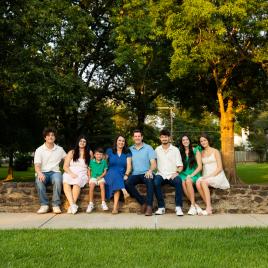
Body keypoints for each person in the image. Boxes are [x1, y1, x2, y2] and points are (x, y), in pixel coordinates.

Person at [196, 133, 230, 215]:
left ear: (208, 141)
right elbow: (200, 166)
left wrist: (209, 176)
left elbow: (220, 168)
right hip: (206, 175)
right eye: (201, 141)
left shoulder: (215, 151)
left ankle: (208, 209)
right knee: (197, 183)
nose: (203, 142)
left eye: (205, 140)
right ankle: (209, 206)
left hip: (216, 174)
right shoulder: (201, 153)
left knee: (203, 182)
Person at [34, 127, 66, 214]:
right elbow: (37, 165)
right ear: (45, 138)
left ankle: (56, 205)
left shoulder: (60, 149)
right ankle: (44, 205)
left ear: (55, 137)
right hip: (42, 172)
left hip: (55, 172)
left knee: (58, 180)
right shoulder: (39, 150)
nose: (50, 137)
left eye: (52, 135)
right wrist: (39, 173)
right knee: (39, 181)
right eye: (48, 135)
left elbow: (68, 159)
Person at [125, 129, 156, 216]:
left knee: (150, 180)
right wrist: (127, 174)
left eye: (139, 136)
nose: (137, 138)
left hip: (146, 173)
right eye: (135, 136)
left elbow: (154, 163)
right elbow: (128, 164)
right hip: (135, 174)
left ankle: (149, 206)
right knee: (127, 183)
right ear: (133, 138)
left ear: (142, 137)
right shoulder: (130, 149)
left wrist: (150, 171)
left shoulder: (148, 148)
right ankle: (143, 202)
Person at [154, 129, 184, 216]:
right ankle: (161, 207)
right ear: (160, 138)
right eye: (162, 137)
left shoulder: (175, 150)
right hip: (161, 174)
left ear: (169, 138)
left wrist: (177, 172)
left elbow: (180, 165)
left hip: (172, 174)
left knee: (178, 181)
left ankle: (178, 207)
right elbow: (153, 164)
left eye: (166, 137)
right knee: (156, 182)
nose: (164, 139)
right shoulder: (157, 150)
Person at [62, 135, 91, 214]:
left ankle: (71, 206)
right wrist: (71, 173)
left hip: (82, 172)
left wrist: (89, 177)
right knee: (65, 181)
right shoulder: (72, 152)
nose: (82, 143)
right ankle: (73, 205)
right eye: (81, 141)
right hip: (70, 171)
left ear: (86, 143)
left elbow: (90, 167)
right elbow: (65, 166)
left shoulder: (89, 153)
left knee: (77, 182)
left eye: (84, 141)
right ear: (78, 142)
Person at [105, 135, 132, 214]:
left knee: (117, 179)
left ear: (125, 143)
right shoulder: (109, 151)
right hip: (110, 173)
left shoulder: (127, 152)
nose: (121, 142)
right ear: (116, 141)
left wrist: (126, 174)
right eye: (119, 140)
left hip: (122, 174)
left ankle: (115, 208)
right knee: (114, 173)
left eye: (123, 141)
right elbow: (104, 163)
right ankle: (123, 190)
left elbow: (129, 166)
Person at [179, 134, 203, 215]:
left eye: (187, 139)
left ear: (189, 141)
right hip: (183, 173)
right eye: (183, 140)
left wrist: (192, 175)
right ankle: (196, 206)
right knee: (182, 181)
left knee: (188, 181)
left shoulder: (196, 150)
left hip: (194, 174)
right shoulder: (180, 151)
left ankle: (192, 205)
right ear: (181, 142)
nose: (185, 141)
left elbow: (200, 167)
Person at [86, 147, 109, 213]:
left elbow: (105, 172)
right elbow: (89, 169)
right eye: (97, 154)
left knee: (102, 185)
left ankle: (103, 203)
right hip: (93, 177)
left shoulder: (104, 162)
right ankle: (90, 203)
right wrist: (89, 177)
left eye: (100, 154)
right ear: (95, 155)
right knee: (91, 186)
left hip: (101, 177)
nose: (99, 156)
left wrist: (100, 176)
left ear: (102, 155)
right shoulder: (92, 161)